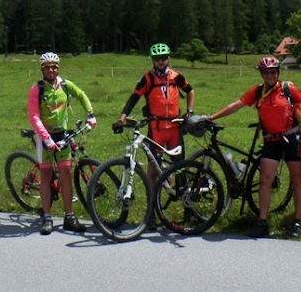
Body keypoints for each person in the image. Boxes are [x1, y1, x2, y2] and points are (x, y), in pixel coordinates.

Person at [205, 55, 301, 239]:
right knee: (266, 179)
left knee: (297, 179)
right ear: (261, 73)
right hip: (271, 141)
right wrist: (212, 117)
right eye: (266, 72)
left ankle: (298, 221)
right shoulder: (257, 92)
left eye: (273, 71)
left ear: (278, 72)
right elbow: (236, 106)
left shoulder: (287, 89)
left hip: (292, 139)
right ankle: (262, 221)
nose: (270, 75)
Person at [27, 51, 97, 235]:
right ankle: (47, 217)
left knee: (65, 173)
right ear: (42, 69)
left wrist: (90, 114)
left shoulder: (65, 85)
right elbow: (34, 115)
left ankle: (69, 217)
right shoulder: (37, 89)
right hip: (45, 137)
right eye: (47, 67)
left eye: (54, 66)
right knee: (46, 174)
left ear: (58, 68)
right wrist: (46, 138)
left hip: (63, 135)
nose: (51, 70)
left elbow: (82, 95)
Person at [114, 43, 195, 185]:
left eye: (163, 58)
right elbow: (133, 99)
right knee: (153, 168)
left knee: (179, 167)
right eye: (157, 59)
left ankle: (185, 200)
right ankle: (152, 202)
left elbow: (190, 90)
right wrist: (121, 119)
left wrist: (189, 111)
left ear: (168, 58)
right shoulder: (147, 79)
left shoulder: (176, 76)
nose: (160, 62)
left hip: (175, 127)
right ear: (153, 60)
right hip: (156, 129)